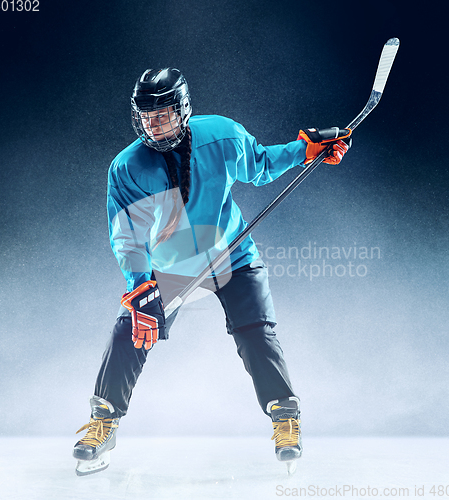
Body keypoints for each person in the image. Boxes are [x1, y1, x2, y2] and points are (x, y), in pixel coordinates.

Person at [73, 68, 351, 476]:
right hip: (171, 268)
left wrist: (304, 149)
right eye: (147, 117)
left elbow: (260, 165)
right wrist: (141, 284)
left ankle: (284, 418)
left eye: (163, 114)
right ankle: (104, 421)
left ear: (182, 110)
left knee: (256, 331)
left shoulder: (221, 136)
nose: (155, 124)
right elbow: (127, 237)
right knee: (130, 330)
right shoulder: (127, 167)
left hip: (232, 255)